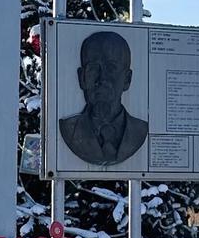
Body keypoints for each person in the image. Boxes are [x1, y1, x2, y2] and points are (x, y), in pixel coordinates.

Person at [58, 29, 149, 168]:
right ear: (82, 78)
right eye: (93, 68)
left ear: (127, 79)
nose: (102, 78)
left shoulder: (139, 130)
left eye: (111, 68)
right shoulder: (69, 130)